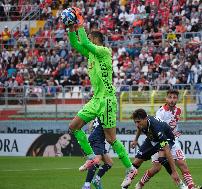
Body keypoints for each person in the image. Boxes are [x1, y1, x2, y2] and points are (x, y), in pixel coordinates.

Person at [66, 7, 137, 182]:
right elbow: (76, 44)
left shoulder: (104, 51)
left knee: (111, 138)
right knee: (73, 126)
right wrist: (71, 28)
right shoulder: (91, 55)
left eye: (89, 38)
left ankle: (130, 168)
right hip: (96, 99)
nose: (86, 41)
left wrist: (80, 21)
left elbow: (85, 43)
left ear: (96, 40)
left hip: (107, 100)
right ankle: (91, 158)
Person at [134, 89, 202, 189]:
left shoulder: (178, 110)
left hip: (172, 141)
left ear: (177, 99)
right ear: (166, 98)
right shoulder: (161, 112)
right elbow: (156, 128)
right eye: (170, 97)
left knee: (182, 164)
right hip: (160, 142)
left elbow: (173, 126)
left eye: (174, 98)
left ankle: (191, 187)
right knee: (156, 168)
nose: (172, 100)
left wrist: (174, 132)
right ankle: (140, 184)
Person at [122, 108, 182, 188]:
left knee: (162, 159)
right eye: (135, 122)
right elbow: (139, 128)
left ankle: (181, 185)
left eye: (138, 121)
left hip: (166, 138)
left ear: (145, 119)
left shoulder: (156, 128)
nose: (136, 124)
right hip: (152, 139)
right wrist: (135, 140)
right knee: (137, 161)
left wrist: (174, 171)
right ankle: (127, 182)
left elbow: (167, 150)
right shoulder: (142, 123)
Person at [82, 118, 113, 189]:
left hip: (98, 140)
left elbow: (90, 126)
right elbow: (109, 133)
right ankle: (86, 185)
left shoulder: (97, 116)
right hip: (98, 140)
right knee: (96, 161)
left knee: (109, 163)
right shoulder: (106, 115)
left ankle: (97, 179)